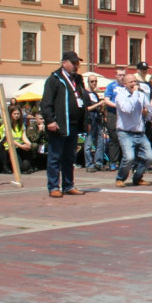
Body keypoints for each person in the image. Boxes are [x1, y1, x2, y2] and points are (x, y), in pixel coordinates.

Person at [40, 50, 88, 198]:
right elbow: (46, 103)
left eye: (77, 63)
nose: (76, 66)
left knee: (69, 157)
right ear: (64, 63)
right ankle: (54, 186)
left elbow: (83, 101)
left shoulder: (78, 80)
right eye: (73, 63)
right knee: (55, 157)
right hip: (59, 125)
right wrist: (50, 120)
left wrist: (86, 121)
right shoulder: (54, 79)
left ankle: (68, 185)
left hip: (73, 125)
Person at [113, 74, 152, 187]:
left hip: (140, 132)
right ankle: (120, 178)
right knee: (129, 157)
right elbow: (127, 109)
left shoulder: (141, 95)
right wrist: (135, 94)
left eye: (135, 81)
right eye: (131, 82)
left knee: (149, 157)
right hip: (125, 132)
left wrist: (148, 113)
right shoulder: (120, 96)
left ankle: (138, 177)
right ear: (124, 84)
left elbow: (149, 109)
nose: (134, 84)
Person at [103, 67, 126, 170]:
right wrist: (117, 105)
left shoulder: (127, 87)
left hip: (125, 115)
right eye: (120, 75)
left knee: (124, 138)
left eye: (123, 75)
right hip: (113, 114)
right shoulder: (111, 86)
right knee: (114, 138)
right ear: (116, 76)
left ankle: (123, 161)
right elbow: (106, 100)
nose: (122, 77)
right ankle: (113, 161)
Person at [83, 73, 107, 172]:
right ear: (88, 82)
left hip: (97, 120)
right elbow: (86, 109)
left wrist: (101, 107)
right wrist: (98, 104)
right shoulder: (85, 93)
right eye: (92, 81)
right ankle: (89, 164)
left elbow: (97, 108)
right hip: (90, 120)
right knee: (88, 144)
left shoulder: (95, 94)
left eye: (95, 81)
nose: (94, 83)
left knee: (100, 142)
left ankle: (98, 163)